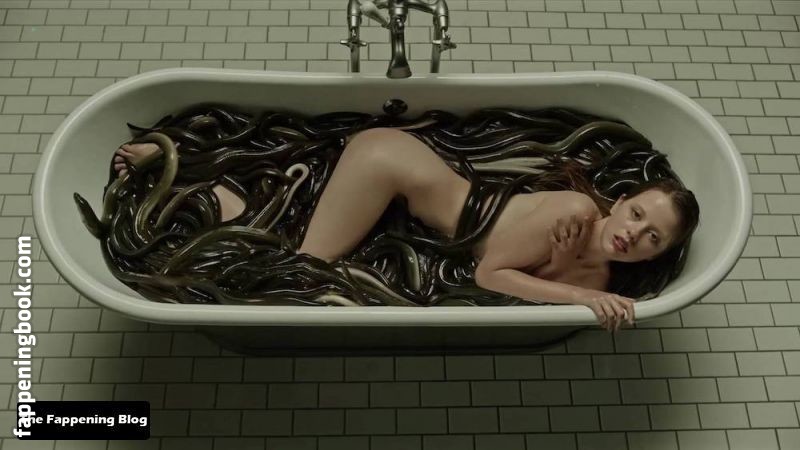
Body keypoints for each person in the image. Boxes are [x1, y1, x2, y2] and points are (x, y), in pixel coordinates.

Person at [114, 127, 700, 332]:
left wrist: (571, 278)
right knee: (300, 266)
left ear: (659, 254)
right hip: (390, 165)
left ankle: (189, 174)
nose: (635, 234)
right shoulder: (571, 212)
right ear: (619, 203)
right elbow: (491, 274)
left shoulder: (597, 274)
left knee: (289, 218)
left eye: (654, 237)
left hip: (403, 191)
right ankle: (173, 165)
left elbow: (530, 282)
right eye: (637, 214)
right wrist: (578, 292)